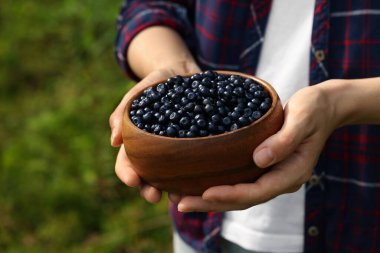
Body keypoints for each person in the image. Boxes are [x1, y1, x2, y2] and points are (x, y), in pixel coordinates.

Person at [109, 1, 380, 252]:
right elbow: (149, 7)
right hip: (203, 230)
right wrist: (172, 65)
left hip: (358, 219)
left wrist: (341, 103)